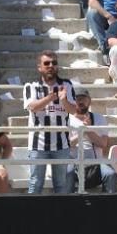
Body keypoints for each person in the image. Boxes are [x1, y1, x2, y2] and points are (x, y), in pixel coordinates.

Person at [23, 50, 77, 194]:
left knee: (61, 185)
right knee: (35, 184)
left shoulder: (67, 85)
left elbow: (73, 110)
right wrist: (51, 97)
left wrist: (64, 99)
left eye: (54, 63)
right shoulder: (31, 86)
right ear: (39, 67)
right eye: (46, 63)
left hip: (61, 143)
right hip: (38, 144)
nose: (51, 66)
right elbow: (32, 107)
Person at [67, 87, 117, 194]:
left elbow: (103, 144)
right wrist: (83, 131)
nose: (80, 101)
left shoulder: (99, 118)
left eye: (83, 99)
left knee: (110, 174)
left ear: (89, 101)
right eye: (77, 99)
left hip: (97, 162)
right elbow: (67, 144)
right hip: (74, 162)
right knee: (67, 173)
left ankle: (109, 207)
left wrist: (89, 130)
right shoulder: (66, 119)